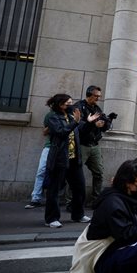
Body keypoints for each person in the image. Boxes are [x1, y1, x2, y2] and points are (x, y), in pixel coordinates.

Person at [44, 94, 98, 228]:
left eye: (71, 103)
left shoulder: (72, 116)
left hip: (74, 159)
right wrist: (76, 122)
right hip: (59, 159)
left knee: (79, 187)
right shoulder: (53, 117)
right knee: (54, 190)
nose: (70, 105)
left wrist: (89, 123)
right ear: (59, 104)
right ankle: (51, 219)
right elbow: (61, 132)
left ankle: (78, 215)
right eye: (67, 103)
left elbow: (79, 131)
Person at [73, 85, 113, 205]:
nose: (97, 99)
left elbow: (104, 128)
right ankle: (71, 201)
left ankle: (96, 199)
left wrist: (107, 121)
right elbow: (78, 126)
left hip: (94, 145)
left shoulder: (97, 108)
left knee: (99, 173)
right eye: (96, 96)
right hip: (82, 144)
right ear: (88, 94)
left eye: (99, 96)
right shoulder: (78, 107)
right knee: (75, 173)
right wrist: (93, 125)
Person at [25, 107, 55, 209]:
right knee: (41, 171)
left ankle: (55, 198)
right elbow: (45, 132)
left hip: (64, 148)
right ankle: (36, 198)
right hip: (49, 146)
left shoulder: (69, 115)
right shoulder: (51, 115)